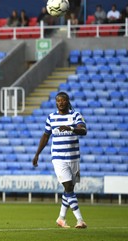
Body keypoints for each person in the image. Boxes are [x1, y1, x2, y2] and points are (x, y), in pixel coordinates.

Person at [32, 92, 87, 229]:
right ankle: (80, 220)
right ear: (56, 103)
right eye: (58, 101)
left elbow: (83, 130)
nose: (60, 103)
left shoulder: (75, 116)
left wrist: (70, 128)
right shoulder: (51, 118)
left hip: (74, 157)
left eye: (63, 100)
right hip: (58, 158)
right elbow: (45, 137)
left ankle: (61, 218)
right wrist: (37, 154)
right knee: (68, 187)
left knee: (69, 189)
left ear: (68, 101)